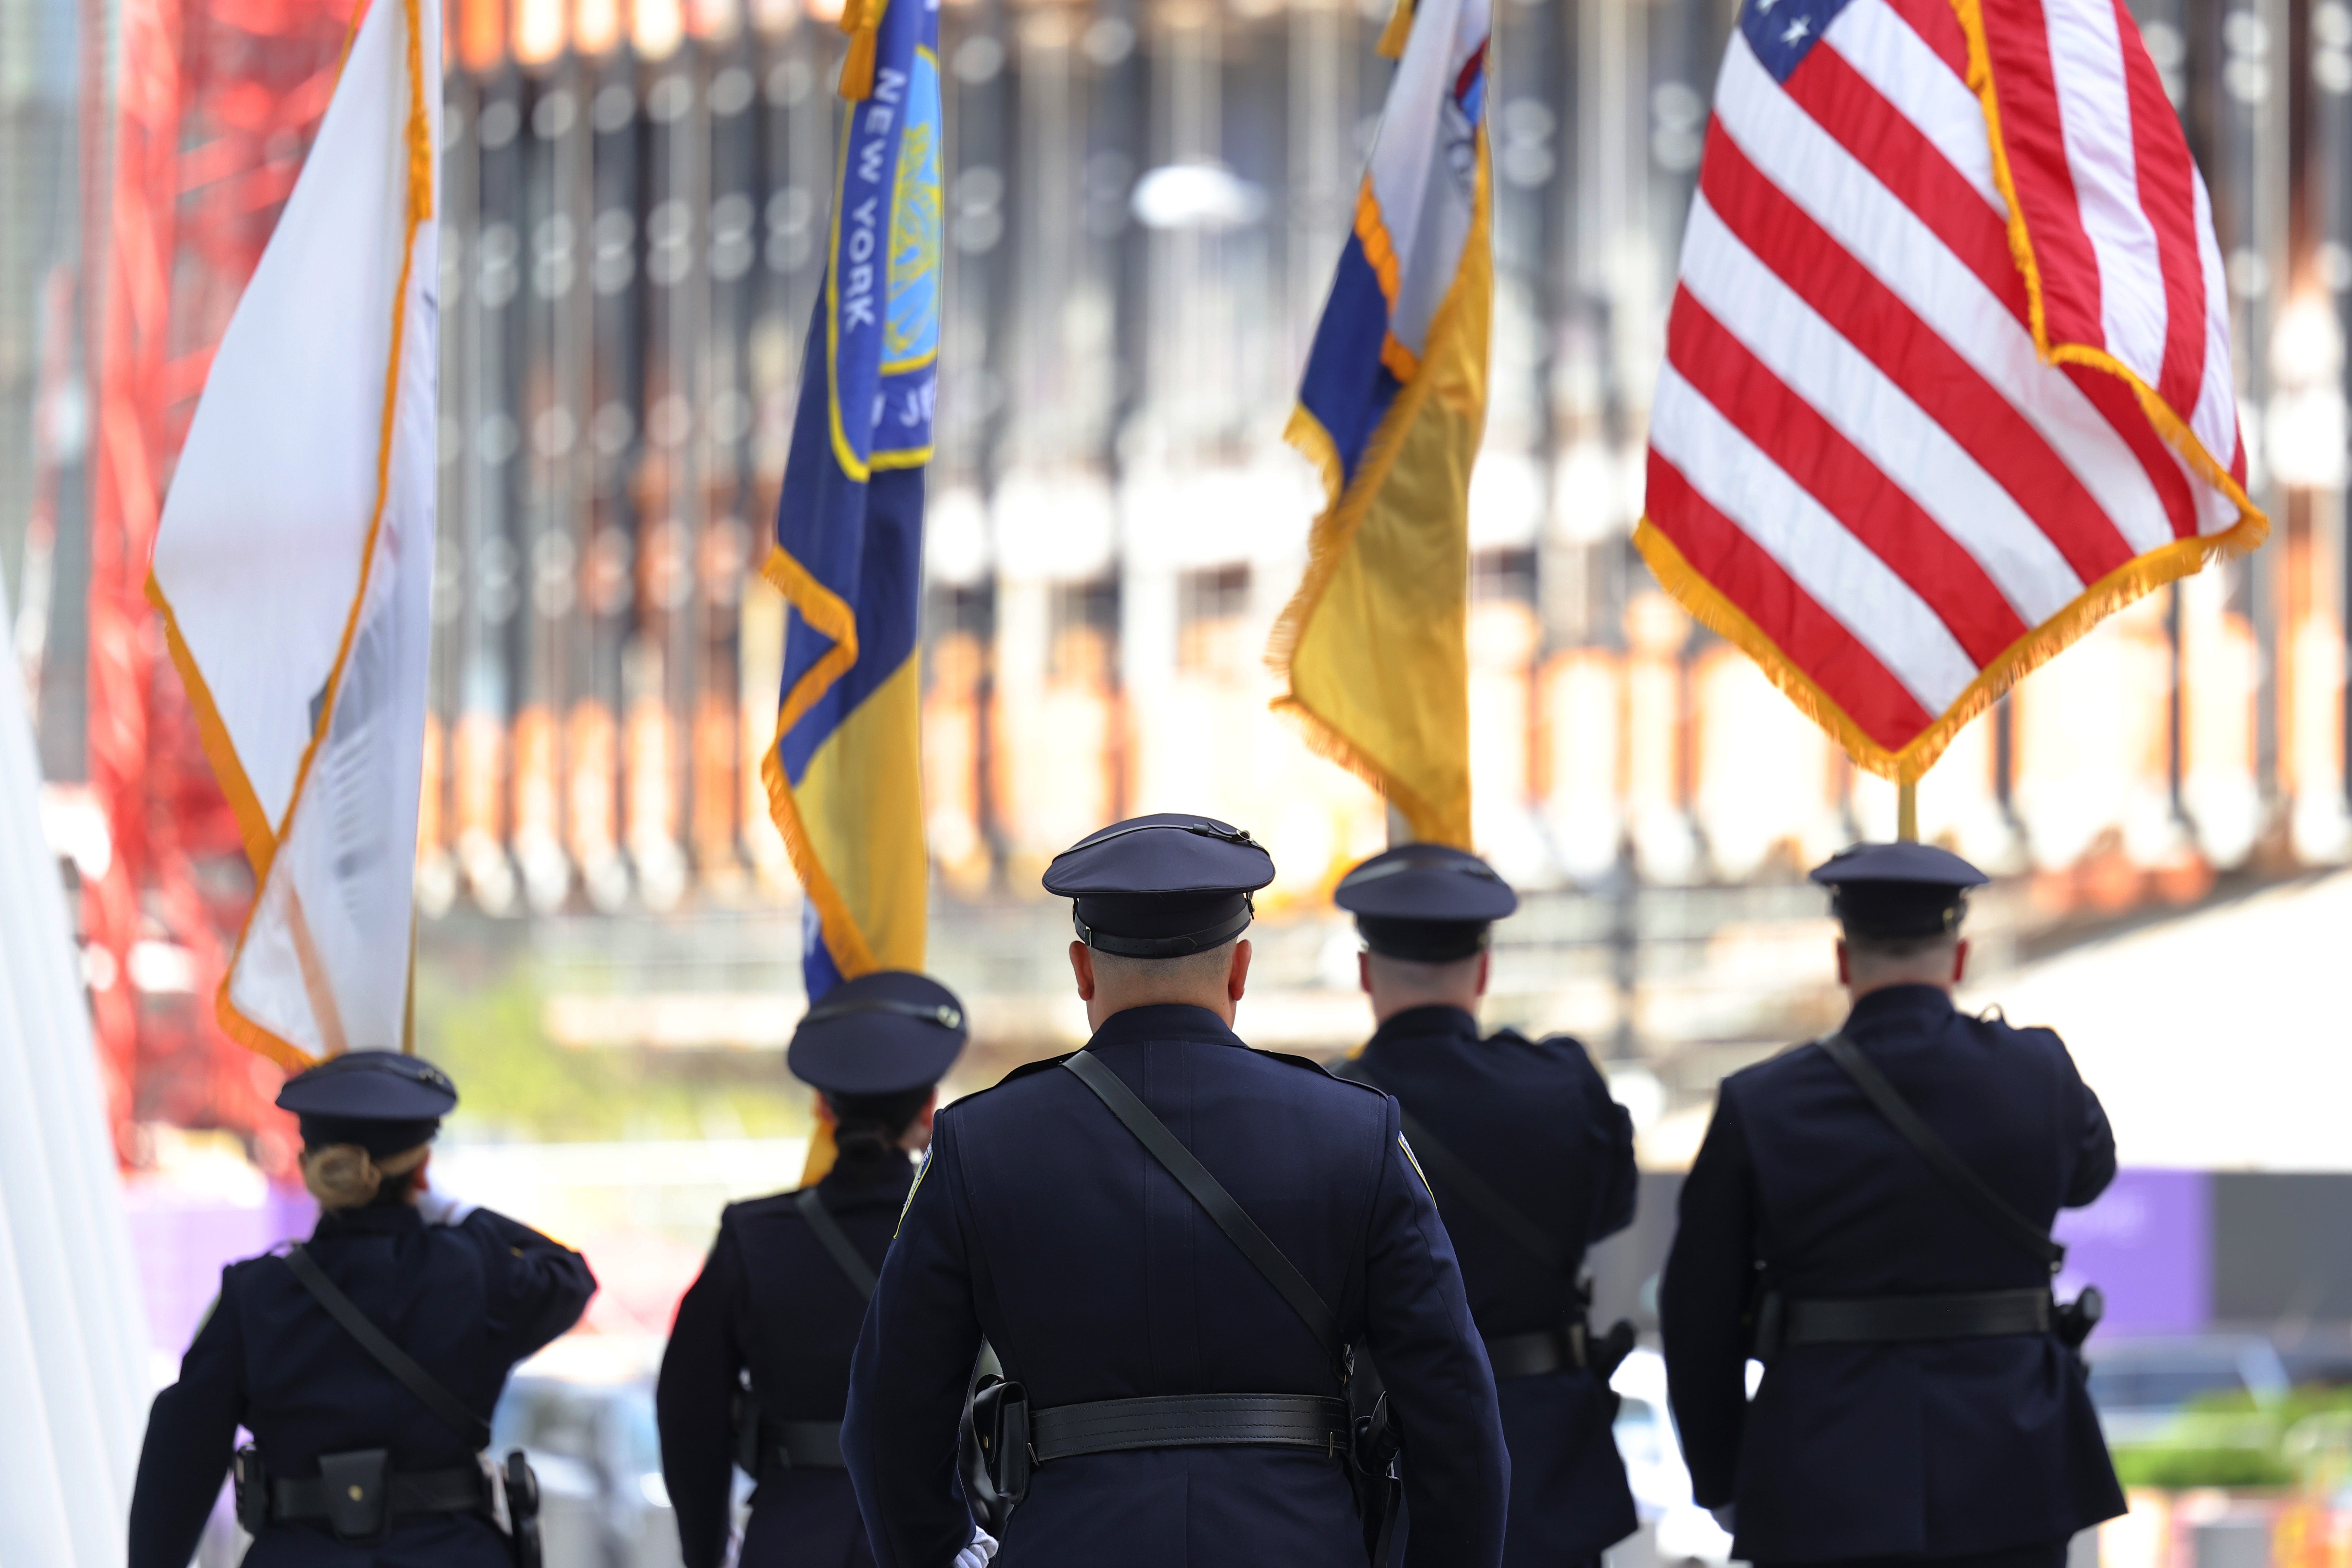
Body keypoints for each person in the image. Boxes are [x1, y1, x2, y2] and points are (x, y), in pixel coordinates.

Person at [842, 812, 1510, 1568]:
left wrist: (943, 1551)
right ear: (1239, 970)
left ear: (1083, 970)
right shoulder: (1354, 1130)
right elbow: (1455, 1415)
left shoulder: (980, 1142)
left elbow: (887, 1420)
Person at [1659, 842, 2125, 1568]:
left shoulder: (1764, 1102)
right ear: (1961, 956)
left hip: (1823, 1471)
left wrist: (1720, 1476)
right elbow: (2090, 1175)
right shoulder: (2036, 1071)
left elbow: (1699, 1312)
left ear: (1845, 961)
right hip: (2013, 1464)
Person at [129, 1050, 597, 1567]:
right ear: (423, 1170)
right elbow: (568, 1275)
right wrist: (463, 1212)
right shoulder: (476, 1272)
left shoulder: (256, 1294)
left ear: (312, 1169)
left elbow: (183, 1453)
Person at [1331, 843, 1639, 1568]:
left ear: (1366, 971)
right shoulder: (1564, 1087)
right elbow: (1613, 1210)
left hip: (1395, 1456)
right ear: (1484, 967)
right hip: (1548, 1457)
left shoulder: (1332, 1110)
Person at [657, 969, 970, 1568]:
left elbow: (688, 1419)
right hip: (939, 1540)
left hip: (793, 1540)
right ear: (929, 1111)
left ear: (821, 1106)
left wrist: (704, 1552)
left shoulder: (753, 1238)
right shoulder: (970, 1230)